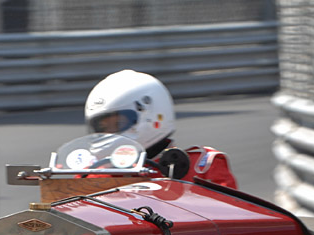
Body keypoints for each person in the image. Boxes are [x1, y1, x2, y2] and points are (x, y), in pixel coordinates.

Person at [83, 70, 237, 190]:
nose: (108, 133)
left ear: (150, 113)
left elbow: (231, 222)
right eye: (103, 128)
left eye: (118, 124)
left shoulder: (202, 168)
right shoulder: (93, 175)